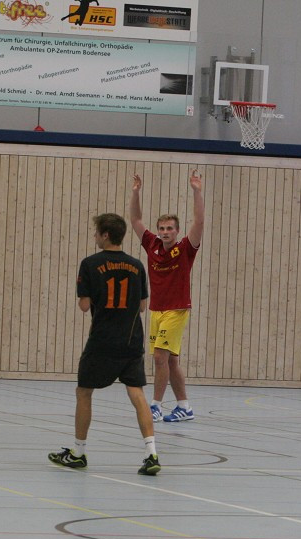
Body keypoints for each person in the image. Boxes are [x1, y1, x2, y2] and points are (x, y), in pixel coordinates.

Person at [48, 213, 161, 476]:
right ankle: (151, 453)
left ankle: (78, 452)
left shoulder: (90, 264)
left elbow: (84, 306)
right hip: (131, 340)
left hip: (102, 340)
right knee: (137, 393)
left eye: (96, 232)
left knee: (84, 392)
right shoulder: (137, 265)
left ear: (105, 235)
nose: (95, 236)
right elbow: (143, 306)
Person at [129, 169, 204, 423]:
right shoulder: (151, 245)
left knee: (159, 357)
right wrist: (136, 192)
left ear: (177, 230)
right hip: (156, 310)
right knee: (171, 361)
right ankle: (185, 407)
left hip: (176, 309)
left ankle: (155, 406)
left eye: (169, 228)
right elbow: (136, 220)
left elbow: (199, 223)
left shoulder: (185, 249)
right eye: (161, 228)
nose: (164, 232)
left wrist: (197, 192)